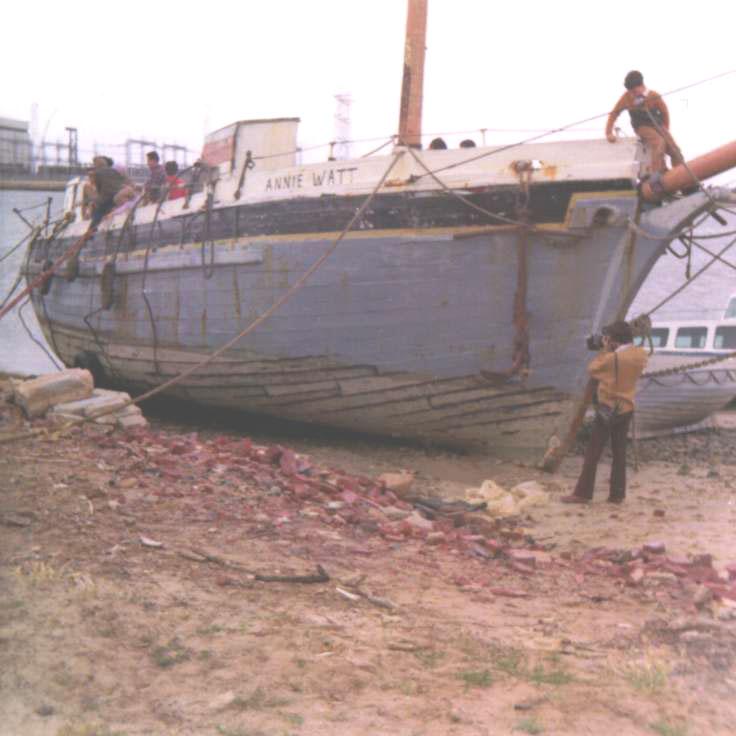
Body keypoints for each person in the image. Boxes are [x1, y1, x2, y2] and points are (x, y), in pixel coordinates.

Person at [561, 320, 648, 505]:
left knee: (593, 452)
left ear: (614, 340)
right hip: (627, 407)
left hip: (608, 408)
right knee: (619, 453)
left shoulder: (611, 358)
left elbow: (593, 369)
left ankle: (583, 493)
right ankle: (617, 495)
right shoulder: (640, 354)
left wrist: (605, 349)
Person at [605, 70, 684, 176]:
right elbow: (614, 113)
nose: (633, 94)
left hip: (657, 125)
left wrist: (665, 130)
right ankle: (657, 172)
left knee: (675, 150)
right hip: (641, 126)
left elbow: (665, 113)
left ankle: (682, 177)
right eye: (631, 92)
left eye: (634, 91)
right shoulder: (626, 97)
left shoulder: (654, 95)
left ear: (642, 86)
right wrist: (609, 132)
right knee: (659, 142)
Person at [89, 156, 126, 228]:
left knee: (97, 209)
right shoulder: (114, 171)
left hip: (106, 199)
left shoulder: (97, 173)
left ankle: (92, 229)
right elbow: (121, 181)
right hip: (118, 197)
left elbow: (99, 189)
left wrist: (97, 199)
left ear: (96, 164)